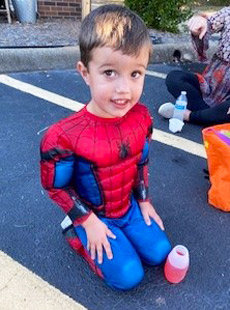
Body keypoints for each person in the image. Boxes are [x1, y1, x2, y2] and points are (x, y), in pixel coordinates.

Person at [40, 4, 171, 291]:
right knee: (127, 276)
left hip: (128, 207)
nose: (124, 89)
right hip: (95, 214)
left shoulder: (142, 118)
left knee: (160, 252)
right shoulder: (63, 136)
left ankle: (123, 229)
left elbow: (140, 163)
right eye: (110, 72)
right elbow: (56, 187)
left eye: (135, 73)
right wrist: (87, 221)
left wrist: (145, 200)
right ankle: (74, 232)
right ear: (85, 72)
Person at [158, 7, 230, 126]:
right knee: (174, 78)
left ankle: (187, 115)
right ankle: (210, 115)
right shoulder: (228, 13)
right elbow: (209, 22)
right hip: (211, 83)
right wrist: (199, 25)